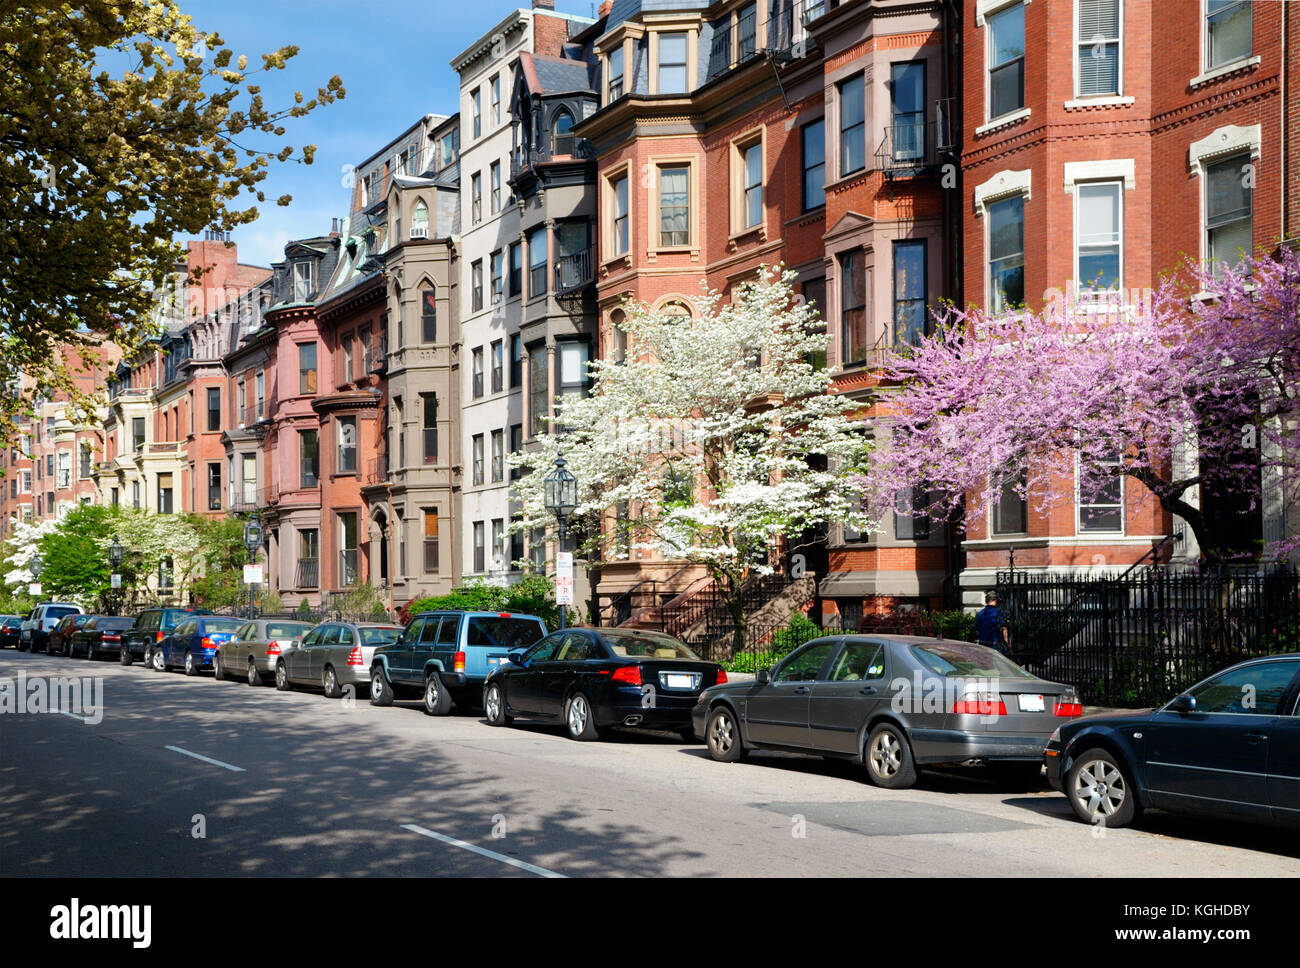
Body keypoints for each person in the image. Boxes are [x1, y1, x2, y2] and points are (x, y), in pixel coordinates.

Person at [975, 590, 1009, 655]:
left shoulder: (980, 613)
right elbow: (1004, 629)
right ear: (996, 600)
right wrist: (1008, 644)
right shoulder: (999, 613)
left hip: (982, 645)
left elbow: (977, 631)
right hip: (995, 645)